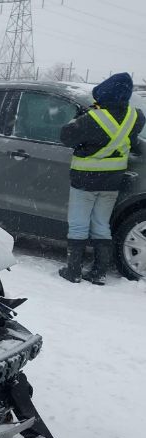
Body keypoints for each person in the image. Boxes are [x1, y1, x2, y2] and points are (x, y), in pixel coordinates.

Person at [59, 72, 144, 284]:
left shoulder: (92, 119)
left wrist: (78, 116)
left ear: (105, 94)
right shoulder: (135, 117)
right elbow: (131, 139)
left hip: (85, 181)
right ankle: (98, 272)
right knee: (101, 224)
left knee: (78, 224)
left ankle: (73, 270)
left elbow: (66, 137)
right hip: (112, 182)